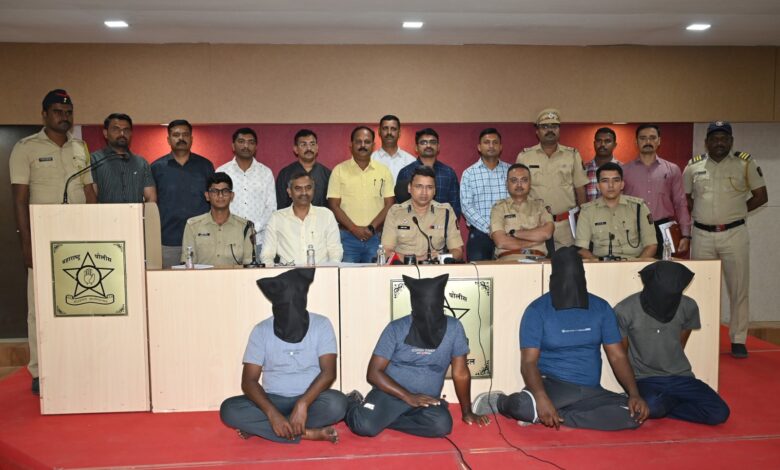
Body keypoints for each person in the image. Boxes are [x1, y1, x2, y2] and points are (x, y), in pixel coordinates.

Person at [472, 247, 649, 431]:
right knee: (521, 407)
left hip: (591, 390)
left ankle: (555, 415)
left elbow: (617, 356)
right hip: (552, 387)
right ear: (554, 278)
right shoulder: (537, 311)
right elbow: (528, 363)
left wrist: (634, 393)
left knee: (633, 416)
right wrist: (541, 398)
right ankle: (499, 401)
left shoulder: (601, 308)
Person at [9, 89, 97, 394]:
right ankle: (40, 369)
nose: (64, 117)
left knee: (79, 301)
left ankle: (76, 362)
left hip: (79, 238)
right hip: (43, 239)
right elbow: (19, 200)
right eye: (58, 111)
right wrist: (26, 244)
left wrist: (97, 233)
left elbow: (89, 192)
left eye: (68, 112)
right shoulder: (26, 148)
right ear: (44, 114)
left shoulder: (80, 147)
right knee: (40, 306)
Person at [345, 274, 490, 437]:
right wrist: (408, 396)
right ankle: (353, 403)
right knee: (364, 426)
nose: (429, 311)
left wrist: (467, 412)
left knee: (442, 426)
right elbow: (373, 373)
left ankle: (384, 418)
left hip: (425, 400)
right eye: (424, 306)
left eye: (433, 306)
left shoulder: (454, 328)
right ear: (414, 304)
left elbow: (460, 373)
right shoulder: (396, 328)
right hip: (390, 394)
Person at [220, 268, 347, 443]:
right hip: (272, 399)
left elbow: (329, 373)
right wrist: (272, 414)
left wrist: (302, 404)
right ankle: (307, 433)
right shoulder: (261, 330)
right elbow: (249, 381)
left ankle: (264, 428)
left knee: (338, 404)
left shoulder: (321, 325)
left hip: (311, 399)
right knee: (228, 410)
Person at [683, 121, 768, 359]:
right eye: (714, 139)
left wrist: (736, 213)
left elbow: (761, 196)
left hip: (734, 234)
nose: (719, 142)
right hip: (702, 235)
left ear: (731, 141)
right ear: (706, 142)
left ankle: (738, 339)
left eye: (723, 138)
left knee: (738, 288)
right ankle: (702, 337)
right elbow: (686, 199)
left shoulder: (745, 163)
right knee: (700, 288)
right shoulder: (693, 166)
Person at [615, 261, 730, 425]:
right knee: (653, 408)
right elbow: (622, 355)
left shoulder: (688, 306)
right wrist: (633, 392)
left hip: (681, 377)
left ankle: (669, 402)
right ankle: (665, 403)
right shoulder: (625, 310)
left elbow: (680, 343)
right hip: (645, 378)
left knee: (719, 413)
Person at [516, 109, 589, 250]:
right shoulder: (525, 157)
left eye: (554, 126)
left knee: (567, 260)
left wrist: (584, 220)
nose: (550, 130)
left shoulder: (572, 155)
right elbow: (518, 192)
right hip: (535, 224)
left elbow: (580, 189)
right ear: (537, 132)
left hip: (565, 226)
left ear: (559, 130)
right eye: (545, 127)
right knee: (536, 261)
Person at [151, 119, 214, 268]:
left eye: (185, 134)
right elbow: (151, 203)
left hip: (202, 239)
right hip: (168, 241)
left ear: (191, 139)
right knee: (168, 282)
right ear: (168, 139)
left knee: (204, 281)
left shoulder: (205, 166)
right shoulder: (156, 168)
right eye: (176, 135)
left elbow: (214, 200)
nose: (181, 138)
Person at [623, 124, 692, 258]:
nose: (648, 141)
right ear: (636, 142)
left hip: (663, 229)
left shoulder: (672, 169)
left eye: (652, 138)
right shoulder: (624, 171)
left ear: (659, 141)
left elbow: (680, 203)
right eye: (643, 138)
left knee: (663, 268)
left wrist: (686, 234)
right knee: (634, 268)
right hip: (634, 229)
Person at [327, 126, 394, 263]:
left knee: (374, 275)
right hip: (347, 238)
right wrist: (354, 229)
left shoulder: (384, 171)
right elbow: (334, 205)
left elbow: (389, 204)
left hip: (375, 238)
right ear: (351, 145)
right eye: (358, 141)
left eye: (367, 142)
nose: (363, 145)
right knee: (346, 276)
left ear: (373, 145)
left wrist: (371, 228)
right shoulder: (339, 171)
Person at [575, 162, 657, 260]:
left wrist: (636, 265)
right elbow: (581, 249)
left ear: (622, 184)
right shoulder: (587, 211)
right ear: (598, 186)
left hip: (635, 262)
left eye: (616, 180)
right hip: (601, 263)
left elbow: (651, 245)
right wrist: (598, 264)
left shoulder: (639, 207)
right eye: (605, 181)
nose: (611, 185)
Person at [382, 166, 463, 262]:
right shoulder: (395, 212)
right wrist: (417, 259)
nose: (424, 192)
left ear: (434, 191)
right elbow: (386, 252)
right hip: (403, 267)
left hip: (435, 266)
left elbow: (457, 251)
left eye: (429, 187)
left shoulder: (445, 212)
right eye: (419, 186)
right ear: (409, 188)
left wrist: (441, 257)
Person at [262, 171, 343, 266]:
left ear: (313, 190)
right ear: (289, 192)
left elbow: (335, 251)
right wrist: (273, 273)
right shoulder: (277, 218)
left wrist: (331, 271)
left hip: (321, 272)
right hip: (288, 273)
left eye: (308, 188)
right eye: (298, 188)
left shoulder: (326, 215)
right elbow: (267, 255)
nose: (304, 192)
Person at [216, 128, 276, 253]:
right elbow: (216, 204)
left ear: (256, 147)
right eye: (241, 141)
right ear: (233, 146)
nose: (246, 146)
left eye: (251, 142)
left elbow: (271, 207)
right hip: (228, 239)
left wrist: (254, 228)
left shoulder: (265, 173)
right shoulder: (222, 171)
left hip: (259, 240)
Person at [180, 172, 254, 266]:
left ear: (232, 196)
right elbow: (188, 265)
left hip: (234, 276)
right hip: (201, 276)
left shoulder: (246, 227)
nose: (220, 195)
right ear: (207, 196)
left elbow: (249, 266)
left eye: (225, 191)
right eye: (215, 191)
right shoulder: (193, 226)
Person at [460, 128, 511, 261]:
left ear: (500, 147)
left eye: (495, 142)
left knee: (512, 270)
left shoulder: (511, 172)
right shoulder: (469, 173)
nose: (491, 146)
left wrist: (502, 229)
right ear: (479, 147)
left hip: (509, 231)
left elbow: (517, 200)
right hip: (480, 232)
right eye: (487, 142)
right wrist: (490, 228)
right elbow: (466, 206)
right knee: (479, 271)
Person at [490, 164, 554, 260]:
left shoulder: (540, 206)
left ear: (530, 183)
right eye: (514, 180)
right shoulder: (498, 208)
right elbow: (501, 242)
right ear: (507, 184)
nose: (519, 185)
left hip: (537, 259)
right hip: (508, 260)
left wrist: (515, 233)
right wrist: (534, 241)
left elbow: (547, 233)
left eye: (524, 180)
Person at [394, 128, 461, 218]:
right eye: (423, 142)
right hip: (412, 225)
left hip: (442, 225)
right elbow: (400, 207)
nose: (428, 145)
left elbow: (455, 207)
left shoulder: (448, 173)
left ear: (438, 147)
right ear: (416, 147)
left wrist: (445, 225)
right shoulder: (405, 172)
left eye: (433, 142)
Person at [90, 113, 156, 203]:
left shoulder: (141, 163)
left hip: (135, 212)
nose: (122, 134)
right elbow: (91, 198)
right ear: (105, 133)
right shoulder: (94, 160)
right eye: (116, 129)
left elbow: (151, 197)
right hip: (104, 212)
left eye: (126, 130)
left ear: (131, 133)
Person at [275, 129, 331, 209]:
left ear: (317, 148)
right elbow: (281, 206)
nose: (309, 148)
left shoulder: (327, 174)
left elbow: (331, 206)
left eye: (312, 144)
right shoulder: (285, 174)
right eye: (303, 144)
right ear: (296, 149)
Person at [370, 115, 416, 183]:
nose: (389, 132)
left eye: (393, 129)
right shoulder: (370, 160)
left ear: (399, 133)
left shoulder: (411, 161)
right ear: (379, 132)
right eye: (385, 128)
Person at [584, 127, 621, 202]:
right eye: (599, 141)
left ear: (614, 145)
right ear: (594, 143)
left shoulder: (624, 169)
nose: (602, 144)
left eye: (607, 141)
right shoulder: (583, 170)